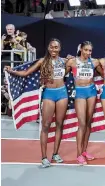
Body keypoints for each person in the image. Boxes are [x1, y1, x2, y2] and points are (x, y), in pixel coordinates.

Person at [4, 38, 70, 168]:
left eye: (56, 47)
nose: (53, 49)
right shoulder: (42, 61)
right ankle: (44, 157)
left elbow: (71, 70)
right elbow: (26, 73)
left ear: (60, 48)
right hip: (49, 95)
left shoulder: (65, 62)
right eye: (51, 47)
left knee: (59, 125)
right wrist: (12, 70)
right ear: (48, 48)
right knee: (45, 125)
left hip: (62, 94)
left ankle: (55, 153)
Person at [66, 41, 102, 165]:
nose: (88, 52)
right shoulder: (72, 62)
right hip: (80, 93)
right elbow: (61, 73)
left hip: (91, 92)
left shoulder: (94, 62)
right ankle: (79, 154)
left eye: (90, 51)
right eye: (86, 50)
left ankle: (85, 151)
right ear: (81, 49)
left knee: (88, 123)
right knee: (81, 123)